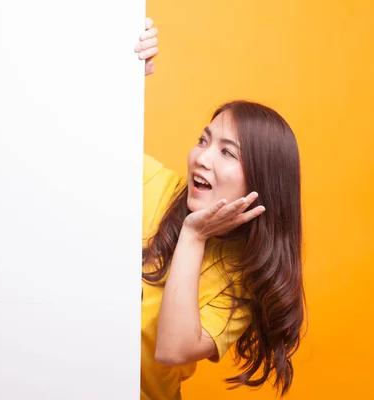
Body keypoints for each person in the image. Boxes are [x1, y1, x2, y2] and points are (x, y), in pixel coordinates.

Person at [135, 18, 305, 400]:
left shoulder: (242, 278)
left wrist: (194, 234)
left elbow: (172, 350)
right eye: (203, 140)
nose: (201, 158)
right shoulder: (154, 184)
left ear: (260, 183)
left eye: (227, 152)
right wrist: (122, 72)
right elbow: (81, 142)